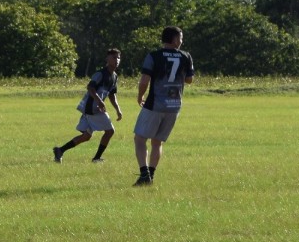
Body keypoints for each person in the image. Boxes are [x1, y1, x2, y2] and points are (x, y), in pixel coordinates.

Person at [133, 26, 195, 186]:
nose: (181, 41)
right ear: (174, 39)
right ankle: (151, 175)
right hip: (174, 105)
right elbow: (189, 80)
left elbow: (145, 80)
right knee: (157, 142)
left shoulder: (154, 56)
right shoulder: (186, 56)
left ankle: (144, 173)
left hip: (155, 104)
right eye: (180, 38)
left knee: (140, 138)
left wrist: (140, 96)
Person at [53, 49, 123, 164]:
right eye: (114, 57)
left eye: (118, 58)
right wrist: (99, 101)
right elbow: (90, 88)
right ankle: (96, 158)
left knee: (86, 136)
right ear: (107, 59)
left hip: (94, 108)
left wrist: (118, 110)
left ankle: (60, 150)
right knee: (110, 131)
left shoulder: (114, 76)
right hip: (92, 108)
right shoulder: (100, 74)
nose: (117, 60)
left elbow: (112, 95)